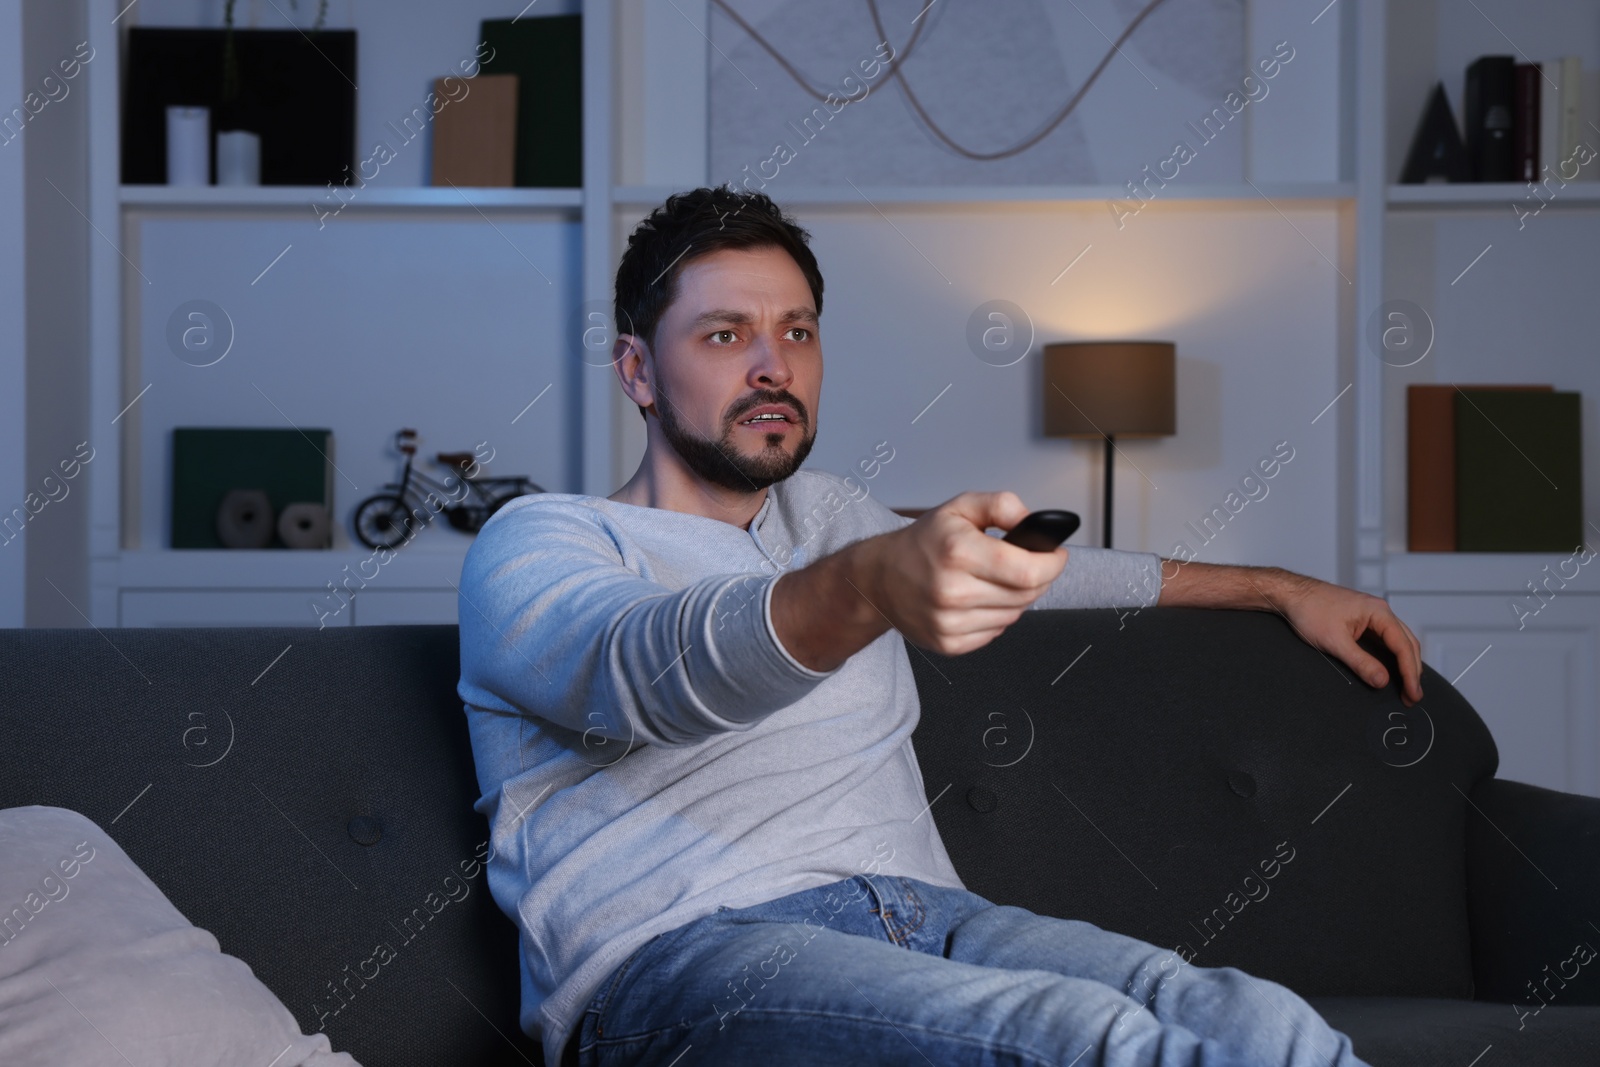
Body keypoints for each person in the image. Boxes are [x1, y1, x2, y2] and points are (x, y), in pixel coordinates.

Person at [457, 187, 1422, 1067]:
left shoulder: (831, 517)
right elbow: (653, 669)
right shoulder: (543, 542)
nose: (772, 365)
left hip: (938, 921)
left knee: (1265, 1025)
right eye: (723, 335)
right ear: (636, 369)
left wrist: (1274, 588)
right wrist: (868, 584)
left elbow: (1046, 574)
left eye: (798, 331)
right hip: (687, 964)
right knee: (1096, 1045)